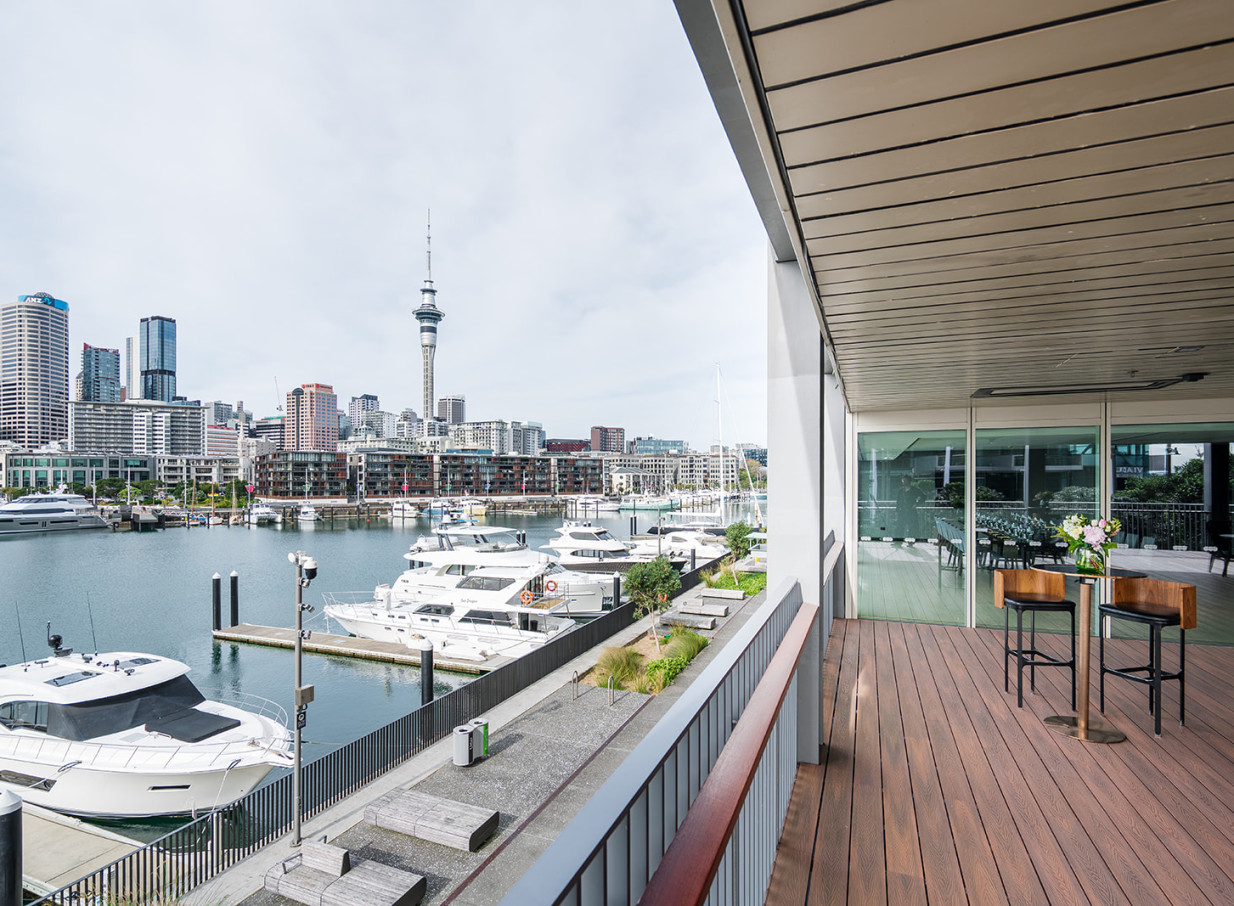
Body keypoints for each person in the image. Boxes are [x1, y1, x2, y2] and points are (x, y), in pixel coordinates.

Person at [895, 475, 923, 541]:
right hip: (902, 511)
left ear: (909, 481)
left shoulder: (914, 489)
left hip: (911, 511)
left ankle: (911, 541)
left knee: (912, 527)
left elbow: (924, 496)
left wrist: (916, 504)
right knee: (900, 526)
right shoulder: (901, 490)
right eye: (902, 480)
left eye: (905, 480)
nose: (903, 482)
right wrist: (897, 510)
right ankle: (898, 540)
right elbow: (898, 501)